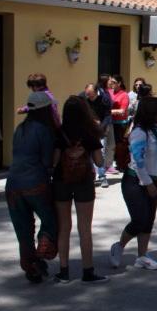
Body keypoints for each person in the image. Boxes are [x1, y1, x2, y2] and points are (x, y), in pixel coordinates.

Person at [110, 97, 157, 271]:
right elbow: (137, 162)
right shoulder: (138, 132)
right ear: (150, 113)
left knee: (149, 220)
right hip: (134, 180)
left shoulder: (154, 131)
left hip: (151, 179)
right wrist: (148, 183)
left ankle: (142, 256)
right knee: (139, 219)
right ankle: (119, 246)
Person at [53, 96, 107, 284]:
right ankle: (88, 270)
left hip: (61, 181)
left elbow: (54, 162)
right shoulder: (90, 133)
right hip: (84, 181)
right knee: (84, 228)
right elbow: (100, 162)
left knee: (64, 227)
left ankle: (64, 271)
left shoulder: (59, 132)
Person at [6, 91, 58, 283]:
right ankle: (44, 244)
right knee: (50, 220)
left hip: (12, 184)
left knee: (23, 229)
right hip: (36, 182)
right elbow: (46, 161)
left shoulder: (20, 128)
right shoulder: (44, 131)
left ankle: (30, 265)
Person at [80, 83, 112, 188]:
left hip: (101, 129)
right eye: (87, 94)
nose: (88, 97)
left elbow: (108, 116)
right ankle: (91, 176)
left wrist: (101, 127)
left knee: (100, 152)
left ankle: (102, 176)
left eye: (91, 95)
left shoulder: (104, 99)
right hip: (87, 129)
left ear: (96, 92)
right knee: (87, 153)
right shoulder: (82, 97)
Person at [109, 75, 130, 167]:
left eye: (114, 82)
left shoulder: (124, 95)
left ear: (119, 83)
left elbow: (122, 111)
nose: (111, 84)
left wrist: (108, 112)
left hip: (120, 124)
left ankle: (120, 163)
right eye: (111, 82)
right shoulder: (109, 92)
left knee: (119, 145)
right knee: (110, 144)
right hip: (110, 122)